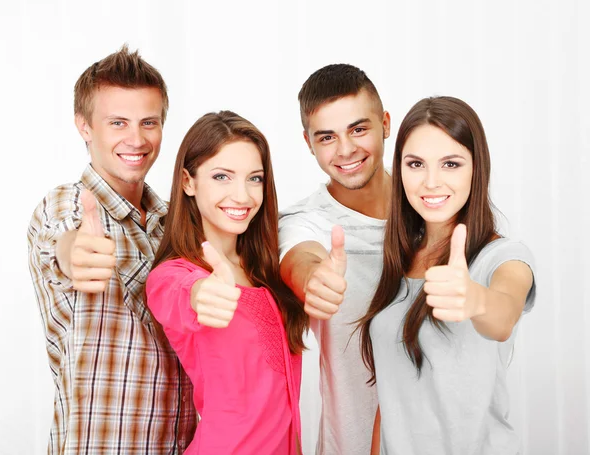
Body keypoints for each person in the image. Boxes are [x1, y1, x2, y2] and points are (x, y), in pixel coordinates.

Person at [27, 45, 195, 454]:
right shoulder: (66, 205)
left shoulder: (176, 222)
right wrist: (75, 253)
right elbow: (62, 242)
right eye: (118, 122)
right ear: (84, 126)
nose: (136, 139)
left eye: (148, 122)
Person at [359, 96, 536, 455]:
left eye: (451, 164)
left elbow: (502, 316)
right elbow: (392, 396)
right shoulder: (397, 258)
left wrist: (475, 299)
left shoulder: (503, 257)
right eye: (415, 164)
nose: (431, 182)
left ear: (476, 168)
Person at [145, 111, 309, 455]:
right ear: (188, 182)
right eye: (222, 176)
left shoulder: (265, 271)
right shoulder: (176, 275)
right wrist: (200, 294)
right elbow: (177, 295)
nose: (243, 195)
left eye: (254, 178)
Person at [279, 63, 392, 454]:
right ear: (309, 143)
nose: (345, 150)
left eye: (358, 129)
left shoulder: (436, 210)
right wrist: (314, 281)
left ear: (385, 125)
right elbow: (300, 258)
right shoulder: (304, 222)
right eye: (327, 137)